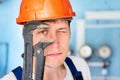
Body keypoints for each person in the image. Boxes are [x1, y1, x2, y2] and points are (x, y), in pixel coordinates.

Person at [1, 0, 91, 80]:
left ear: (69, 33)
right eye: (43, 31)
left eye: (61, 30)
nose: (55, 43)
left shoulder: (80, 66)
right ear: (26, 35)